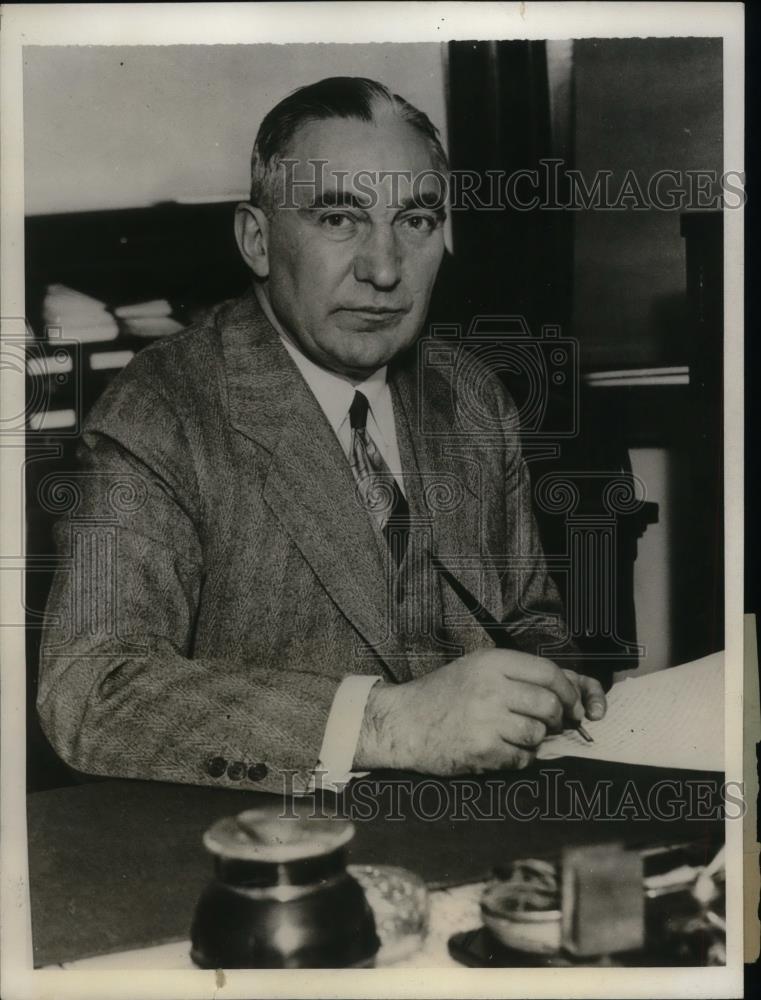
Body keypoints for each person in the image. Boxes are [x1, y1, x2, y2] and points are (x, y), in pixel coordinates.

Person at [38, 77, 606, 794]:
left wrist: (552, 686)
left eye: (416, 221)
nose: (383, 269)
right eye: (339, 219)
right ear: (257, 240)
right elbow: (93, 693)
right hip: (277, 839)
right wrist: (386, 724)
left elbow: (528, 617)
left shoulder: (469, 395)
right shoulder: (161, 409)